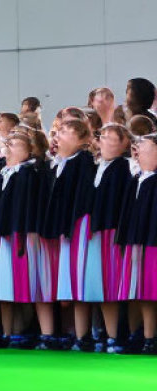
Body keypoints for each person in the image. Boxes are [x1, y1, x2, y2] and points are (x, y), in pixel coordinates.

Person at [35, 118, 95, 350]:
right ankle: (68, 333)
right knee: (65, 286)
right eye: (59, 132)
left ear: (82, 140)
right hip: (60, 231)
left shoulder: (84, 162)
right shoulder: (57, 163)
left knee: (77, 283)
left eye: (68, 133)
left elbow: (81, 200)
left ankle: (82, 335)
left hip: (76, 228)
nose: (60, 136)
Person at [0, 131, 40, 347]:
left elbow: (24, 206)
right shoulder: (3, 172)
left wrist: (19, 234)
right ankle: (2, 332)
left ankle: (17, 330)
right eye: (8, 144)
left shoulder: (26, 173)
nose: (10, 148)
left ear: (28, 151)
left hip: (15, 233)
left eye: (15, 144)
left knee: (14, 283)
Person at [85, 124, 132, 351]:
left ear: (124, 144)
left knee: (111, 285)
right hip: (97, 231)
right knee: (99, 285)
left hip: (112, 232)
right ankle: (101, 332)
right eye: (102, 137)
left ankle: (115, 335)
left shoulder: (123, 168)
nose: (104, 141)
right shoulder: (97, 166)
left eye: (111, 138)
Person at [118, 133, 157, 354]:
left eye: (144, 147)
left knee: (150, 290)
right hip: (136, 240)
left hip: (152, 241)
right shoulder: (137, 179)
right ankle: (136, 334)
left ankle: (150, 337)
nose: (138, 151)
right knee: (136, 290)